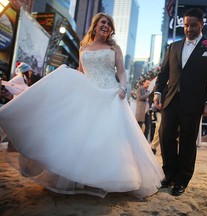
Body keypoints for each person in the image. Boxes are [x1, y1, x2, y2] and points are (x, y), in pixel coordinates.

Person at [0, 12, 164, 198]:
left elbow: (121, 71)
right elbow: (80, 71)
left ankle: (106, 178)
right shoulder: (83, 47)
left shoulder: (114, 48)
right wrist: (67, 78)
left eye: (109, 24)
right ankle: (82, 178)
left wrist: (123, 88)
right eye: (103, 22)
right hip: (88, 95)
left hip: (110, 95)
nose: (106, 26)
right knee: (81, 137)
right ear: (95, 26)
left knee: (106, 139)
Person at [153, 8, 207, 196]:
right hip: (171, 99)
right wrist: (158, 91)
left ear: (201, 24)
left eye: (193, 25)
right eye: (185, 25)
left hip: (194, 102)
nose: (189, 29)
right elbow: (164, 73)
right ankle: (169, 174)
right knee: (165, 135)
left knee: (187, 141)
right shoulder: (173, 46)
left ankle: (182, 179)